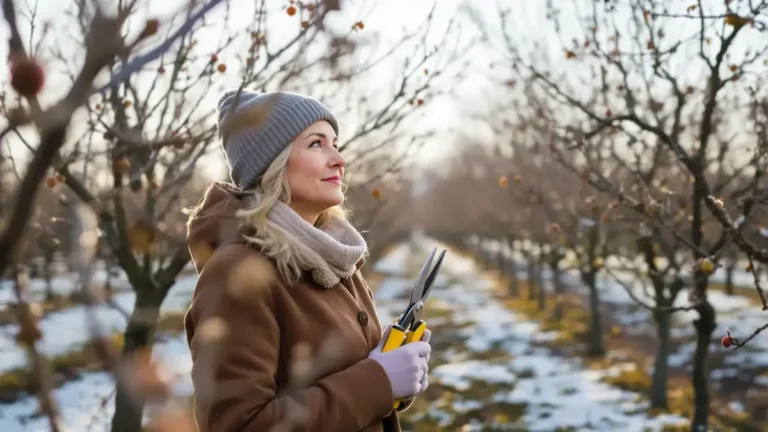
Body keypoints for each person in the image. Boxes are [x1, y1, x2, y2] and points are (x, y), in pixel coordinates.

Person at [183, 89, 432, 432]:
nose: (339, 159)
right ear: (272, 164)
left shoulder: (333, 253)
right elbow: (241, 425)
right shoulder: (237, 274)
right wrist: (378, 381)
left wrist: (393, 372)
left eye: (335, 143)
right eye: (316, 144)